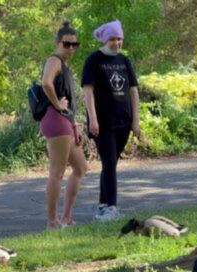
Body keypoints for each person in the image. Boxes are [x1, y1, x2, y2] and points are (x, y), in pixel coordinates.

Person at [82, 20, 141, 221]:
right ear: (106, 40)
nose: (117, 43)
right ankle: (112, 208)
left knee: (111, 165)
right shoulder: (93, 60)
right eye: (113, 39)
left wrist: (136, 121)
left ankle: (102, 206)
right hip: (103, 123)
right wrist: (93, 119)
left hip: (123, 121)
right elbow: (88, 92)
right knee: (108, 163)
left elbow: (133, 91)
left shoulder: (124, 61)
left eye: (120, 39)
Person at [39, 21, 88, 229]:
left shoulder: (65, 66)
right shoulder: (54, 60)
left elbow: (69, 100)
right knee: (57, 172)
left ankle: (67, 217)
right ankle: (52, 222)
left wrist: (75, 124)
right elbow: (46, 83)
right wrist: (58, 104)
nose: (71, 48)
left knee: (80, 167)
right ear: (58, 43)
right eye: (67, 44)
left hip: (65, 122)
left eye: (75, 45)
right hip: (55, 121)